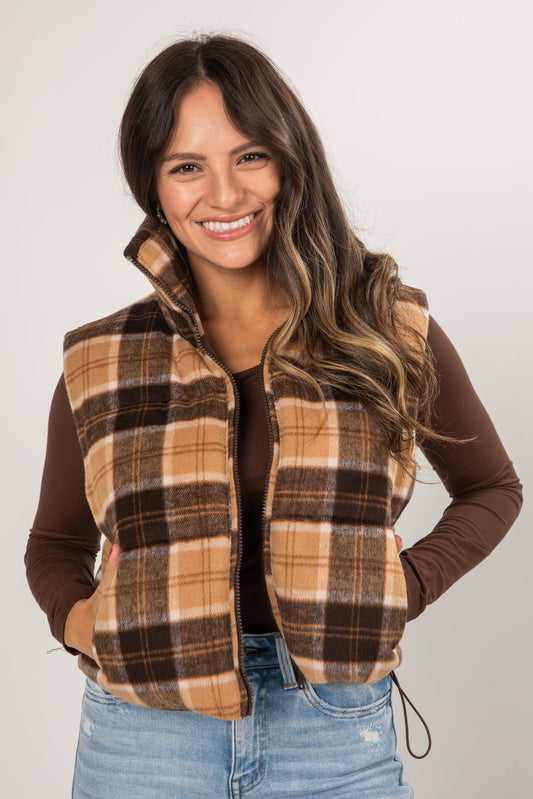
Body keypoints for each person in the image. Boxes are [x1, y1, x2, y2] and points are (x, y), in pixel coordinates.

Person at [25, 34, 522, 799]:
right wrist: (79, 620)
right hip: (143, 735)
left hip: (333, 726)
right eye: (186, 166)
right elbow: (55, 542)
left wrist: (405, 586)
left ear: (290, 160)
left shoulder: (386, 327)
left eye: (249, 155)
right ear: (152, 184)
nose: (224, 194)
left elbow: (491, 487)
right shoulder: (101, 359)